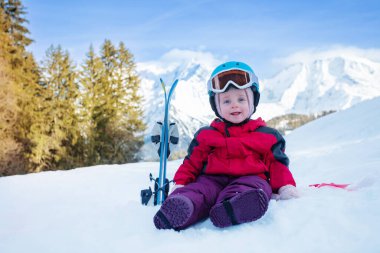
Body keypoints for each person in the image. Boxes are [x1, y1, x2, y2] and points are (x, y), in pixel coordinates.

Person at [154, 61, 298, 230]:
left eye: (241, 99)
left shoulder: (267, 136)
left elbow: (277, 166)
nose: (234, 104)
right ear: (216, 106)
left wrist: (284, 187)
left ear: (253, 102)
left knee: (256, 187)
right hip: (211, 180)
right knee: (199, 191)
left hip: (250, 178)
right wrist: (181, 184)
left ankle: (235, 206)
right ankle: (182, 205)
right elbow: (191, 163)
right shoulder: (206, 135)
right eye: (226, 101)